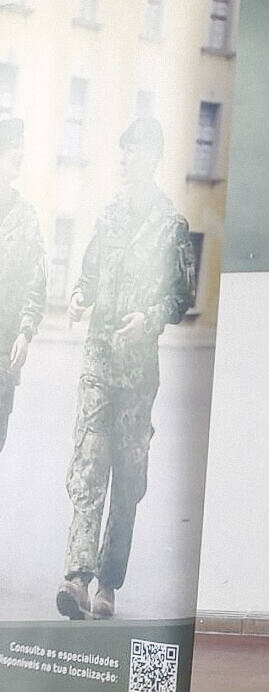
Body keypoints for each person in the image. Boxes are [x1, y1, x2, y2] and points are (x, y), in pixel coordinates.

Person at [58, 116, 195, 621]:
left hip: (138, 373)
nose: (123, 159)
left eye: (132, 150)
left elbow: (182, 296)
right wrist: (78, 297)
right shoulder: (109, 216)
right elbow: (89, 276)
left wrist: (149, 319)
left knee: (128, 477)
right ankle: (76, 578)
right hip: (99, 361)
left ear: (152, 157)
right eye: (122, 150)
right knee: (89, 464)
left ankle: (109, 584)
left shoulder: (172, 225)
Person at [0, 116, 47, 456]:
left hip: (4, 354)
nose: (19, 152)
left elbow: (36, 281)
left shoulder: (26, 217)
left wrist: (25, 332)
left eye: (21, 145)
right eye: (10, 145)